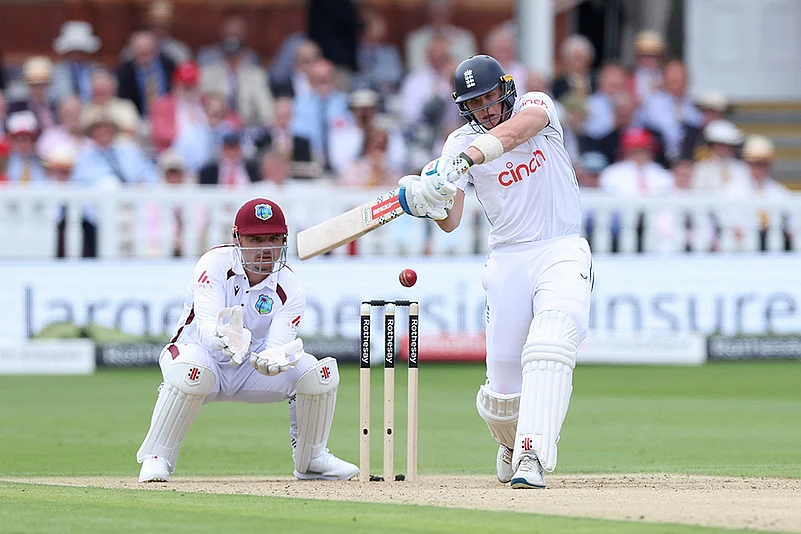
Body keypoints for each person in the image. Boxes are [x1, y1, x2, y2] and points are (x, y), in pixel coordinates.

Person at [398, 55, 593, 489]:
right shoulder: (457, 142)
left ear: (505, 88)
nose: (486, 109)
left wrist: (463, 160)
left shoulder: (537, 105)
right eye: (475, 103)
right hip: (507, 259)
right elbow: (451, 221)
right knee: (503, 391)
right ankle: (510, 441)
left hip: (560, 248)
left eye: (489, 97)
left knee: (550, 343)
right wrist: (430, 200)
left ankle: (532, 456)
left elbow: (515, 131)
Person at [136, 198, 359, 482]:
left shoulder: (290, 287)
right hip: (201, 357)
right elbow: (205, 325)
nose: (266, 249)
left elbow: (276, 346)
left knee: (317, 373)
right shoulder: (214, 263)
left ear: (284, 240)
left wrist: (273, 360)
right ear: (237, 238)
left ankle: (311, 459)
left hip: (248, 368)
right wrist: (222, 336)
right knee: (193, 369)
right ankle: (158, 457)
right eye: (256, 239)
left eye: (273, 239)